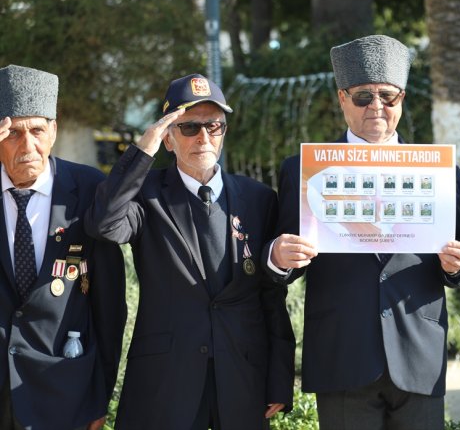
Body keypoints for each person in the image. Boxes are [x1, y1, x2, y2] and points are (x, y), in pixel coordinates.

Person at [264, 34, 460, 430]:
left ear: (402, 100)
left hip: (418, 354)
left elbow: (459, 261)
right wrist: (278, 257)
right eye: (363, 96)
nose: (376, 106)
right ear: (342, 98)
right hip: (343, 353)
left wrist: (457, 266)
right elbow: (285, 263)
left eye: (388, 96)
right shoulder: (303, 170)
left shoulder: (439, 173)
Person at [84, 73, 294, 430]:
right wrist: (141, 153)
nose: (203, 137)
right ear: (167, 138)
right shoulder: (145, 194)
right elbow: (104, 224)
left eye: (214, 126)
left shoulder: (258, 198)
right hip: (165, 382)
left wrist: (279, 378)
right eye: (189, 127)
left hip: (241, 377)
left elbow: (270, 295)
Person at [0, 65, 126, 430]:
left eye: (38, 130)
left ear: (53, 131)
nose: (28, 146)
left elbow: (109, 308)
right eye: (13, 133)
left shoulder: (87, 190)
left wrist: (99, 395)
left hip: (64, 393)